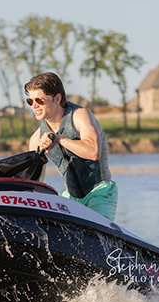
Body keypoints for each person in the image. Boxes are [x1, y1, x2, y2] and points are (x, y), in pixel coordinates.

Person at [25, 72, 118, 221]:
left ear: (57, 98)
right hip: (70, 198)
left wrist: (58, 139)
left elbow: (94, 152)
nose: (34, 105)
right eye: (30, 101)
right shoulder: (36, 139)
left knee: (94, 235)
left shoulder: (81, 116)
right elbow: (35, 183)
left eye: (40, 100)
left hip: (100, 192)